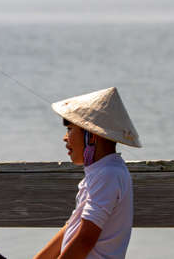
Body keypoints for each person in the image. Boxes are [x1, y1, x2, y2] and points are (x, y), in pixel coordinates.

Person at [34, 87, 141, 259]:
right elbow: (72, 227)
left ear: (91, 136)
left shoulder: (109, 174)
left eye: (69, 129)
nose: (65, 138)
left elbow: (85, 240)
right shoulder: (99, 172)